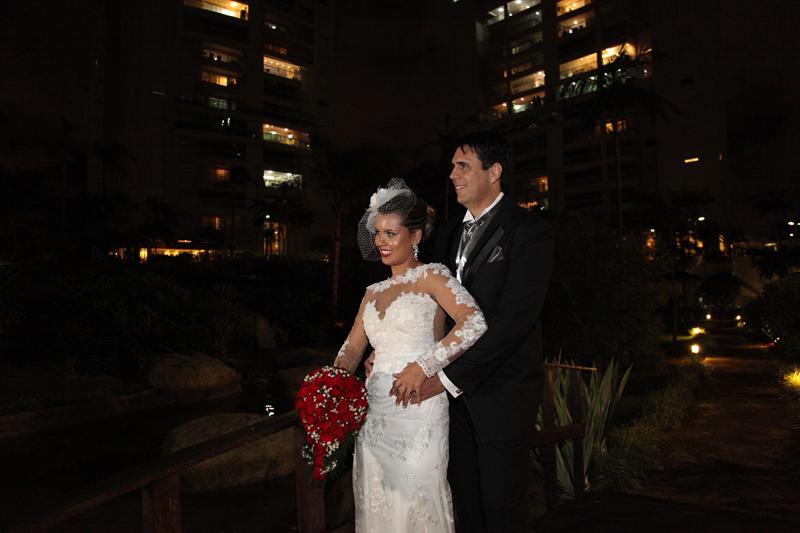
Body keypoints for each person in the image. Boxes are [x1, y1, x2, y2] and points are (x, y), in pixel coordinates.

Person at [392, 132, 554, 532]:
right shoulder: (448, 234)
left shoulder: (529, 232)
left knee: (501, 509)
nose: (452, 175)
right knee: (466, 507)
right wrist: (395, 347)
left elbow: (514, 322)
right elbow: (435, 310)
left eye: (462, 166)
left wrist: (446, 377)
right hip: (452, 404)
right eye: (452, 167)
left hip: (502, 395)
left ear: (494, 172)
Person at [333, 178, 488, 532]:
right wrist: (333, 383)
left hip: (419, 408)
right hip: (374, 414)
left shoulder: (432, 276)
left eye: (391, 233)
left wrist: (425, 365)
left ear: (415, 236)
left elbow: (474, 322)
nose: (381, 242)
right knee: (378, 502)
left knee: (416, 501)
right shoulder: (372, 292)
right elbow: (353, 348)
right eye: (378, 233)